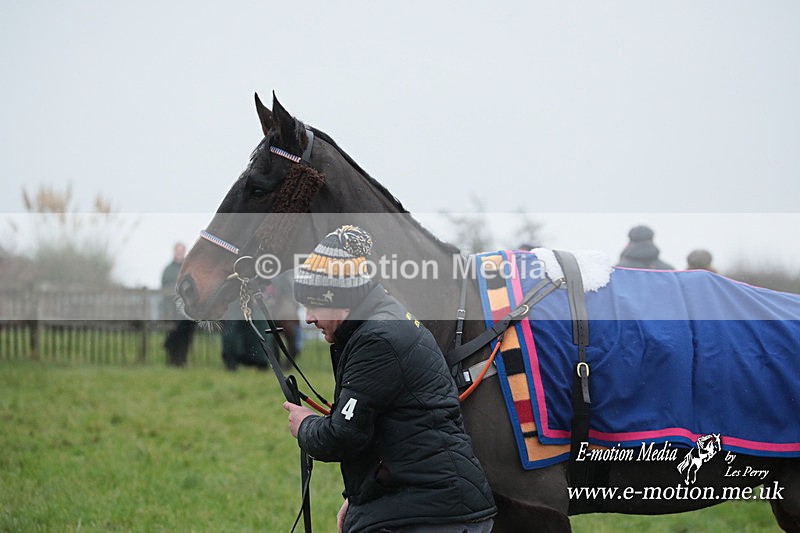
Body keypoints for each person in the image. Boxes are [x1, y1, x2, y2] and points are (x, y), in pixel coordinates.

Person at [283, 225, 496, 533]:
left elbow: (343, 436)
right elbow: (399, 426)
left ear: (342, 297)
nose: (308, 318)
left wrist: (305, 425)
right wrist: (362, 498)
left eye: (314, 303)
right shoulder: (383, 321)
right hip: (432, 506)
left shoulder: (377, 339)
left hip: (433, 515)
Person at [161, 242, 195, 367]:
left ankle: (181, 359)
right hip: (172, 309)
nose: (179, 253)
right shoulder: (168, 270)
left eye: (182, 251)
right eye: (177, 251)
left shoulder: (188, 269)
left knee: (185, 335)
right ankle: (173, 358)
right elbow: (165, 288)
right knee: (174, 333)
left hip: (186, 309)